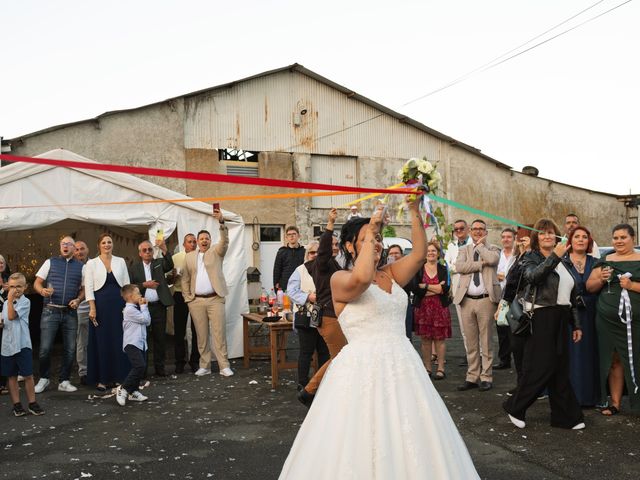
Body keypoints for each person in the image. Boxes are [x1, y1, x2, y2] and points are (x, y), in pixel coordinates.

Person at [279, 199, 480, 479]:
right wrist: (373, 225)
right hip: (361, 368)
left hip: (403, 366)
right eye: (365, 240)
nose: (374, 243)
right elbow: (361, 279)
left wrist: (413, 208)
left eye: (376, 239)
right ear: (350, 247)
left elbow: (420, 253)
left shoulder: (391, 274)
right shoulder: (339, 279)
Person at [503, 218, 585, 430]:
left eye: (550, 232)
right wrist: (555, 256)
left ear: (556, 236)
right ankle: (515, 406)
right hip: (541, 316)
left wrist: (575, 324)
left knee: (560, 368)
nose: (547, 236)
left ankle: (566, 417)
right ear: (536, 237)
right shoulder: (530, 257)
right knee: (540, 367)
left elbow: (572, 294)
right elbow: (533, 277)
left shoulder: (565, 260)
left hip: (561, 316)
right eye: (542, 233)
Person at [586, 223, 640, 415]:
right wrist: (600, 278)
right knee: (613, 359)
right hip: (607, 320)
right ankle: (615, 403)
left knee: (637, 358)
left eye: (623, 237)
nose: (618, 241)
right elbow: (590, 287)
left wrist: (632, 285)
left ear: (633, 238)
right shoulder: (605, 259)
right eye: (615, 238)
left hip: (636, 320)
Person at [298, 208, 346, 406]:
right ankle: (309, 390)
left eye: (337, 244)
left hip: (332, 315)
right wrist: (330, 225)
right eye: (332, 244)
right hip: (328, 316)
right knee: (341, 356)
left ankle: (321, 389)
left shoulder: (330, 263)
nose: (334, 247)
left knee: (339, 355)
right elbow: (324, 250)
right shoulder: (322, 263)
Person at [181, 207, 233, 377]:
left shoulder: (217, 252)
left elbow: (224, 241)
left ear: (210, 241)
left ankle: (224, 365)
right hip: (196, 301)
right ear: (196, 241)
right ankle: (205, 365)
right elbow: (185, 278)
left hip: (215, 299)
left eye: (207, 238)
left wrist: (221, 222)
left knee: (219, 333)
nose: (204, 240)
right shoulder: (189, 256)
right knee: (201, 336)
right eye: (201, 238)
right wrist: (188, 298)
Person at [453, 219, 501, 392]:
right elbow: (459, 267)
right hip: (466, 300)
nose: (478, 232)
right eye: (475, 229)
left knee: (486, 340)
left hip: (486, 300)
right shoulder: (463, 249)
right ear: (470, 231)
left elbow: (493, 260)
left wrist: (480, 247)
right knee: (471, 341)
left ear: (486, 231)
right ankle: (472, 376)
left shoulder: (493, 248)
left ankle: (486, 376)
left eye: (481, 229)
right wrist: (480, 264)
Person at [33, 235, 84, 394]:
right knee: (45, 349)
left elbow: (83, 289)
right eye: (63, 244)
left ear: (74, 248)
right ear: (60, 247)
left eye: (69, 244)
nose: (65, 246)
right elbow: (37, 282)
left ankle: (64, 380)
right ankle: (44, 378)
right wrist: (41, 290)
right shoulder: (50, 262)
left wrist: (78, 299)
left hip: (70, 312)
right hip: (50, 310)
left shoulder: (81, 266)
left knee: (70, 349)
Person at [84, 233, 131, 391]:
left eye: (109, 242)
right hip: (100, 307)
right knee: (101, 341)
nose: (107, 245)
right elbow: (88, 287)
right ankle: (102, 379)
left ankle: (119, 377)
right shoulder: (91, 264)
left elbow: (126, 285)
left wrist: (129, 305)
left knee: (119, 340)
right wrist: (92, 308)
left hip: (119, 306)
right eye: (103, 242)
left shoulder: (121, 261)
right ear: (99, 245)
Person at [564, 226, 600, 407]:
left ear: (589, 241)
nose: (580, 240)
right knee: (572, 354)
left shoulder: (596, 262)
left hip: (592, 312)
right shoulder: (562, 261)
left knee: (590, 353)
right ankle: (571, 397)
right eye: (576, 236)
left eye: (584, 237)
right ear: (570, 241)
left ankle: (589, 396)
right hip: (570, 313)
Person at [287, 241, 330, 389]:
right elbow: (291, 291)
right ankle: (303, 384)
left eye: (319, 252)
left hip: (325, 316)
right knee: (306, 352)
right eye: (312, 252)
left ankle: (323, 383)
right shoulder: (300, 270)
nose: (316, 255)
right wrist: (308, 297)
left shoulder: (328, 269)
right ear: (308, 254)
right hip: (306, 315)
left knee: (324, 352)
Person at [1, 273, 45, 416]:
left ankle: (32, 402)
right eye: (12, 286)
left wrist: (9, 299)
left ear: (25, 287)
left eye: (19, 286)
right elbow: (5, 319)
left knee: (27, 375)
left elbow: (12, 316)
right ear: (8, 286)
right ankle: (17, 404)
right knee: (11, 376)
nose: (15, 289)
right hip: (8, 345)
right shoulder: (5, 303)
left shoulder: (25, 302)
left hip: (22, 344)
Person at [129, 239, 174, 377]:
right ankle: (142, 369)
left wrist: (165, 249)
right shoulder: (134, 268)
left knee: (160, 338)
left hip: (159, 306)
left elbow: (169, 265)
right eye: (144, 250)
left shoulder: (159, 263)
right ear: (140, 253)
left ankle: (160, 368)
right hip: (142, 308)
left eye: (149, 249)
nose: (147, 252)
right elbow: (130, 287)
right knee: (143, 338)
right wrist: (144, 285)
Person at [409, 241, 451, 379]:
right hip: (423, 308)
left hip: (440, 308)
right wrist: (435, 287)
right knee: (425, 340)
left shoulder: (444, 269)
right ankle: (427, 368)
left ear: (438, 253)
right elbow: (416, 289)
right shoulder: (418, 269)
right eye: (428, 251)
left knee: (440, 339)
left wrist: (425, 286)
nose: (431, 253)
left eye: (433, 251)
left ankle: (441, 368)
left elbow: (444, 290)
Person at [115, 284, 151, 406]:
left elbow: (146, 322)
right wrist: (144, 306)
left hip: (140, 343)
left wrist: (142, 307)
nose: (141, 295)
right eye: (138, 293)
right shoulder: (130, 310)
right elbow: (146, 320)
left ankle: (133, 391)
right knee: (139, 366)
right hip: (132, 343)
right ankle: (123, 388)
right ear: (130, 296)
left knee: (141, 367)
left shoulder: (135, 308)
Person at [445, 219, 472, 366]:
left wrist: (459, 266)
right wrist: (460, 267)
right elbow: (448, 265)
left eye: (462, 228)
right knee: (463, 326)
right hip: (457, 289)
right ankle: (469, 354)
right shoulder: (451, 246)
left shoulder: (473, 244)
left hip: (472, 288)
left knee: (477, 325)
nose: (459, 231)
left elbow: (470, 265)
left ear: (467, 228)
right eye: (456, 229)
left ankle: (479, 355)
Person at [171, 233, 200, 374]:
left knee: (197, 331)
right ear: (184, 244)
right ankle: (179, 362)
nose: (193, 244)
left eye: (194, 241)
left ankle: (195, 361)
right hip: (179, 295)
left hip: (196, 296)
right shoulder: (176, 258)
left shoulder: (201, 257)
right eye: (190, 242)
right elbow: (168, 279)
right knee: (179, 331)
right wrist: (173, 276)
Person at [495, 228, 517, 370]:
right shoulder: (498, 255)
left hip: (515, 296)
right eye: (503, 237)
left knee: (515, 329)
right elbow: (493, 273)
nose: (506, 239)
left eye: (509, 237)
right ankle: (504, 359)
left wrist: (506, 276)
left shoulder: (518, 254)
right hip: (500, 295)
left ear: (514, 238)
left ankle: (517, 358)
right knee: (501, 329)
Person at [388, 244, 414, 339]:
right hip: (388, 305)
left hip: (404, 305)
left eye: (396, 253)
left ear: (402, 255)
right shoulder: (383, 270)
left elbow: (412, 286)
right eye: (391, 253)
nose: (394, 255)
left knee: (406, 335)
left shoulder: (408, 269)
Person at [74, 240, 90, 385]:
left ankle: (97, 368)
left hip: (95, 307)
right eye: (77, 249)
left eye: (82, 249)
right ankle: (83, 372)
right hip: (80, 309)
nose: (79, 252)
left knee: (96, 340)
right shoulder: (72, 267)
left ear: (88, 250)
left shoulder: (94, 264)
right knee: (82, 342)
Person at [273, 226, 305, 291]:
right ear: (286, 237)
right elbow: (277, 270)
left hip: (301, 284)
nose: (291, 236)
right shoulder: (281, 252)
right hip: (285, 284)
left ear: (298, 236)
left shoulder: (304, 251)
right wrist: (276, 284)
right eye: (289, 234)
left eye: (294, 234)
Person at [0, 254, 12, 395]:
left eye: (2, 262)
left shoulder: (9, 278)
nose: (0, 264)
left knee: (5, 351)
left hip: (7, 319)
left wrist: (11, 289)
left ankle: (3, 383)